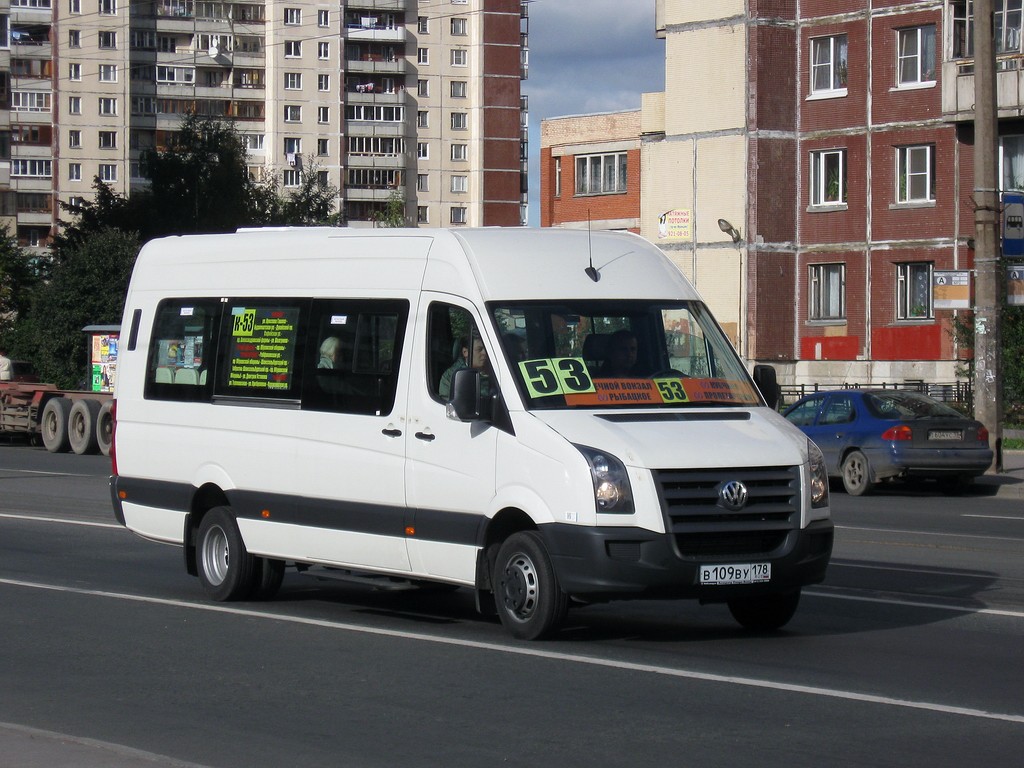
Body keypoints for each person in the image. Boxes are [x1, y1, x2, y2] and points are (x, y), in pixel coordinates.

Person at [439, 334, 488, 399]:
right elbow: (450, 406)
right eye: (479, 349)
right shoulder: (450, 377)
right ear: (465, 352)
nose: (484, 353)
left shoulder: (496, 368)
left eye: (486, 348)